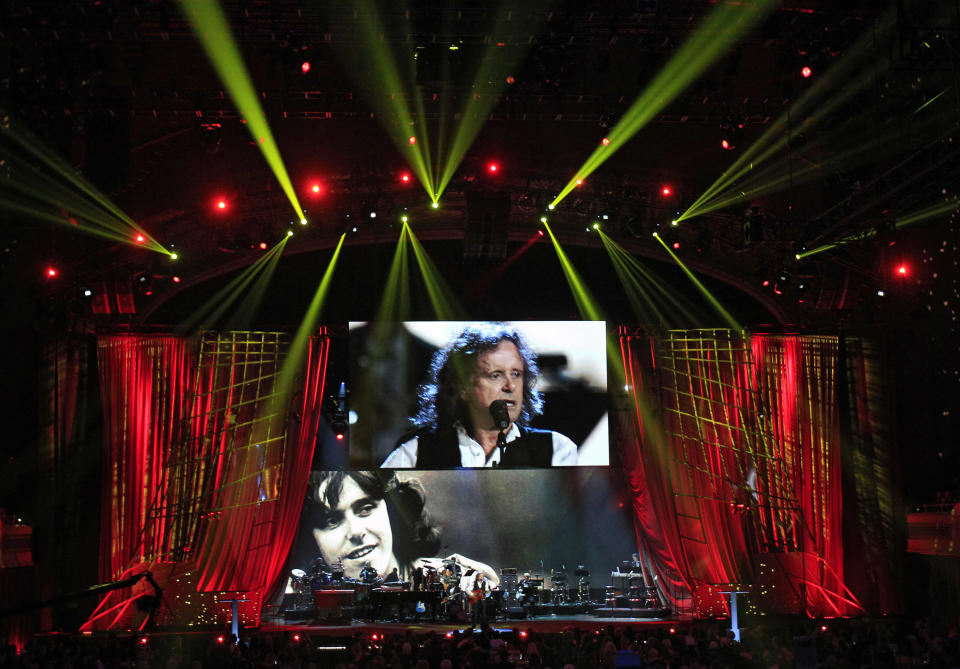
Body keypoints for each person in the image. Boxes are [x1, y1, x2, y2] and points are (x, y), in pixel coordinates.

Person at [381, 323, 578, 467]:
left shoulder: (556, 448)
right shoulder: (415, 453)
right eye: (496, 375)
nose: (510, 385)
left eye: (516, 374)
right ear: (463, 387)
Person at [301, 470, 499, 586]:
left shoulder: (446, 577)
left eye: (365, 509)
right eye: (331, 521)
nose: (355, 532)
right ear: (311, 538)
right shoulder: (299, 589)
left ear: (392, 511)